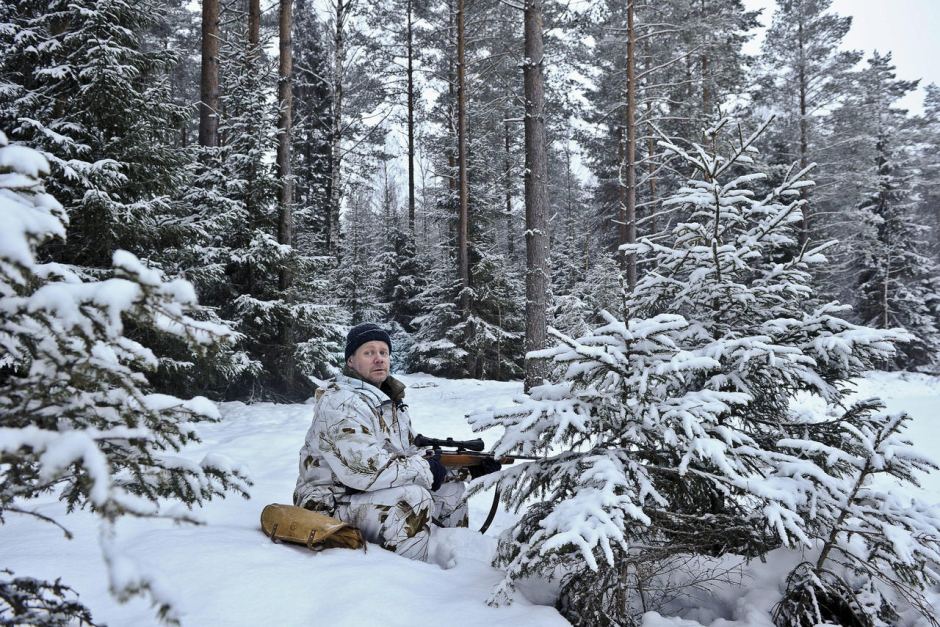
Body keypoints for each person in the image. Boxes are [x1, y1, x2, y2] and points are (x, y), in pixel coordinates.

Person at [293, 323, 472, 562]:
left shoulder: (388, 401)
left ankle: (456, 561)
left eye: (383, 352)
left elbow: (409, 452)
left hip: (361, 494)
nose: (379, 359)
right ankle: (407, 580)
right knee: (413, 498)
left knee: (451, 488)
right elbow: (363, 470)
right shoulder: (341, 403)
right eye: (369, 353)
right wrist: (426, 469)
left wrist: (463, 468)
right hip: (329, 504)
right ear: (350, 361)